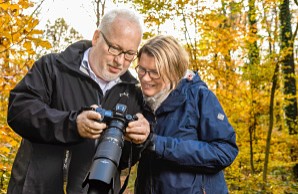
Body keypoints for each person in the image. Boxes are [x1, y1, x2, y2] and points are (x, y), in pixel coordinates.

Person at [7, 8, 150, 194]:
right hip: (36, 187)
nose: (120, 61)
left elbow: (123, 161)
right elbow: (19, 110)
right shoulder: (52, 67)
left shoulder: (132, 92)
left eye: (130, 54)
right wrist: (72, 124)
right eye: (114, 48)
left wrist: (138, 141)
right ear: (97, 37)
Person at [132, 35, 239, 193]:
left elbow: (225, 151)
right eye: (142, 69)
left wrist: (158, 144)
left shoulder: (199, 97)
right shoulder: (140, 101)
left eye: (154, 72)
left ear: (173, 73)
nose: (145, 78)